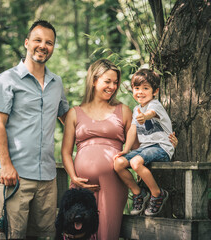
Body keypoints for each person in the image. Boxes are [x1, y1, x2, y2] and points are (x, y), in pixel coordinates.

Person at [61, 60, 177, 239]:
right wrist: (74, 177)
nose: (112, 87)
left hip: (113, 184)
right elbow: (66, 152)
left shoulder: (123, 110)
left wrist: (167, 141)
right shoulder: (75, 112)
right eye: (108, 81)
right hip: (81, 186)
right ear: (93, 80)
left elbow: (141, 145)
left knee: (108, 233)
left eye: (115, 82)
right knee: (77, 234)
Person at [0, 20, 69, 240]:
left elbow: (68, 118)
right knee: (13, 235)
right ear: (27, 43)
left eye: (49, 42)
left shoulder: (56, 83)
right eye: (38, 40)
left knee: (46, 236)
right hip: (14, 175)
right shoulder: (6, 80)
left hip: (47, 177)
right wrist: (5, 165)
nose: (43, 46)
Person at [114, 68, 175, 217]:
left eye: (145, 88)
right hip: (145, 148)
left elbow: (151, 113)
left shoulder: (154, 105)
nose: (140, 92)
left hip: (162, 147)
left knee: (135, 163)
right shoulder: (136, 109)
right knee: (118, 163)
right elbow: (132, 131)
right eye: (137, 88)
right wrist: (126, 150)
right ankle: (138, 192)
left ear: (155, 91)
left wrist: (145, 117)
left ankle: (157, 193)